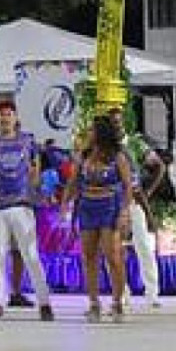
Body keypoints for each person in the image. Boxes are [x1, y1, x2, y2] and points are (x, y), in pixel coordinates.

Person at [0, 102, 53, 322]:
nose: (5, 118)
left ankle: (44, 302)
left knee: (30, 255)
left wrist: (34, 178)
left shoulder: (28, 141)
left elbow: (35, 174)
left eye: (9, 115)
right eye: (1, 115)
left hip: (22, 205)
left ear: (16, 118)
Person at [62, 115, 133, 323]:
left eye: (92, 130)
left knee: (113, 256)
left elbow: (128, 185)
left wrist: (124, 211)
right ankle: (93, 303)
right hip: (87, 207)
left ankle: (117, 302)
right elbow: (73, 181)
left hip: (109, 207)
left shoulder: (117, 157)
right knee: (89, 256)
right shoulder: (84, 156)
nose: (89, 134)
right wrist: (65, 203)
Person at [108, 107, 164, 310]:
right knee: (116, 249)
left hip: (135, 201)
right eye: (112, 122)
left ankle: (152, 293)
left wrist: (148, 190)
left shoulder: (135, 143)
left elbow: (159, 166)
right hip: (112, 202)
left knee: (144, 246)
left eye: (118, 121)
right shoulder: (105, 147)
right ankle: (121, 292)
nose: (116, 125)